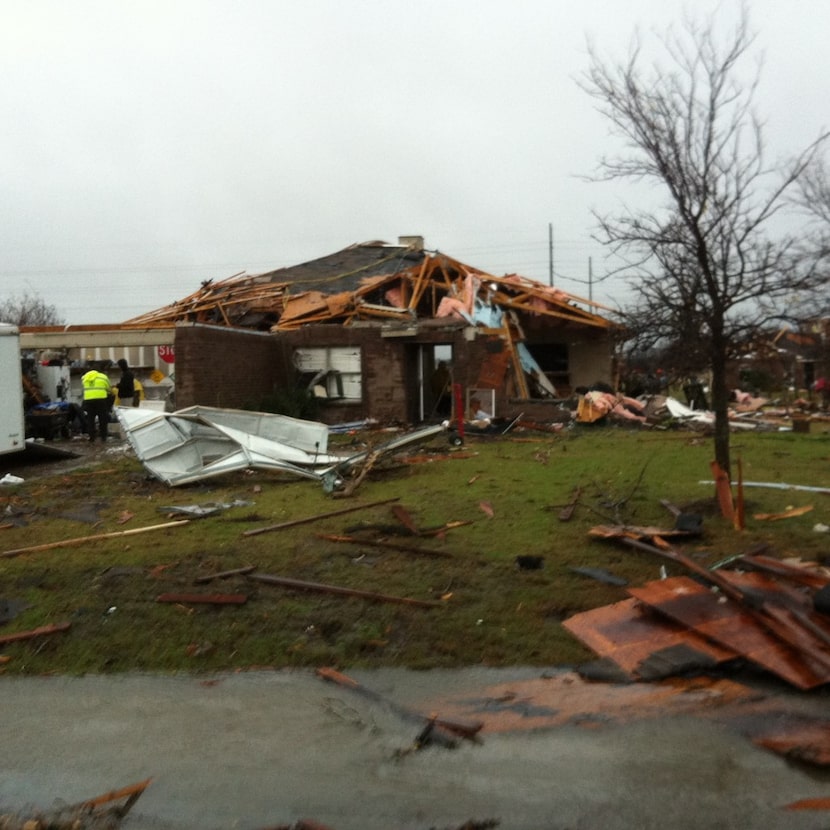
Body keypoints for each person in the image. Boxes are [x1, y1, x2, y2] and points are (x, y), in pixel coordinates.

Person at [82, 367, 113, 441]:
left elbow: (84, 388)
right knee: (102, 418)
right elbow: (109, 389)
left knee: (90, 419)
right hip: (101, 400)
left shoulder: (84, 377)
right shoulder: (103, 377)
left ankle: (91, 437)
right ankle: (103, 436)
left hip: (88, 400)